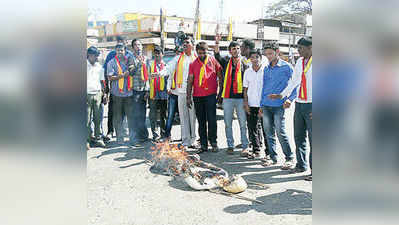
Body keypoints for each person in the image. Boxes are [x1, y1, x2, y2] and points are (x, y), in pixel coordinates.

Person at [269, 37, 312, 180]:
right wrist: (282, 95)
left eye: (301, 48)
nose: (298, 50)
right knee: (299, 136)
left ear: (310, 47)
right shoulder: (299, 62)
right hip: (300, 103)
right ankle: (301, 165)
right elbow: (294, 82)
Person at [259, 41, 296, 169]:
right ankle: (273, 158)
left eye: (270, 53)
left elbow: (295, 85)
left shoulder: (287, 67)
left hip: (279, 105)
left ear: (277, 52)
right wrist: (261, 105)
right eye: (266, 54)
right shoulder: (266, 68)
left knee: (280, 132)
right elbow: (264, 88)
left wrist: (290, 99)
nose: (268, 56)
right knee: (268, 132)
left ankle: (289, 158)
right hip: (266, 105)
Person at [214, 34, 249, 155]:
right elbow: (217, 56)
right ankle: (230, 145)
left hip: (240, 99)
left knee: (242, 123)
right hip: (228, 98)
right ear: (230, 51)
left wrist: (246, 100)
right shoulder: (225, 62)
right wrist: (217, 42)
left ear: (240, 50)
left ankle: (245, 145)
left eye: (238, 48)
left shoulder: (245, 64)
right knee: (228, 123)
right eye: (233, 48)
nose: (236, 50)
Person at [187, 41, 222, 153]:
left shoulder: (213, 60)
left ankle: (213, 142)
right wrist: (188, 97)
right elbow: (190, 81)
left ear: (208, 51)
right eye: (199, 53)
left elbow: (220, 76)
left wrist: (220, 93)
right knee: (201, 121)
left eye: (204, 53)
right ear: (196, 52)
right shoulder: (193, 64)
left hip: (211, 95)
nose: (201, 55)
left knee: (212, 120)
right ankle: (203, 144)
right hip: (197, 96)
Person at [166, 36, 198, 148]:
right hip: (181, 91)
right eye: (183, 43)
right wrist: (159, 73)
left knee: (192, 117)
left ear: (192, 45)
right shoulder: (178, 58)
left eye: (187, 42)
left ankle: (193, 140)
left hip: (194, 92)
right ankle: (185, 140)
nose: (185, 44)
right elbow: (168, 68)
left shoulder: (197, 57)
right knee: (183, 117)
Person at [103, 36, 133, 140]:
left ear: (126, 44)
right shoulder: (111, 58)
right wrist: (106, 91)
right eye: (118, 50)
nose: (120, 51)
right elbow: (108, 76)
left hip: (128, 92)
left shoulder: (130, 57)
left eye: (122, 49)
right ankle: (113, 133)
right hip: (116, 93)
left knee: (128, 114)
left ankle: (129, 135)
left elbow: (134, 71)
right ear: (115, 50)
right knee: (115, 114)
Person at [243, 49, 269, 160]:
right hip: (251, 104)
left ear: (260, 58)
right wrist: (246, 103)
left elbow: (267, 89)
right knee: (252, 128)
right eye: (252, 58)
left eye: (256, 57)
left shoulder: (266, 71)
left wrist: (263, 105)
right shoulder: (247, 72)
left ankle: (269, 153)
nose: (254, 60)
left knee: (266, 129)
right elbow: (245, 89)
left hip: (263, 105)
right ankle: (256, 150)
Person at [128, 39, 150, 146]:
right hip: (135, 90)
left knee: (142, 114)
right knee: (135, 114)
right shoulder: (131, 58)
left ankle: (144, 136)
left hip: (144, 89)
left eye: (139, 45)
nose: (138, 47)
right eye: (136, 45)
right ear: (133, 47)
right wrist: (138, 65)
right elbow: (131, 73)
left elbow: (148, 75)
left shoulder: (146, 58)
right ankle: (134, 138)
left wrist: (148, 90)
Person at [87, 46, 106, 149]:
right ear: (89, 55)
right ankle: (87, 140)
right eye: (95, 56)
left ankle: (98, 138)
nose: (97, 57)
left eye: (97, 55)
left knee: (98, 118)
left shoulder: (99, 67)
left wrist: (105, 94)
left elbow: (102, 81)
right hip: (86, 95)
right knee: (87, 119)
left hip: (97, 94)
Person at [148, 45, 168, 141]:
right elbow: (146, 79)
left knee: (163, 115)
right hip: (153, 93)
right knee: (153, 115)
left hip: (164, 94)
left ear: (162, 54)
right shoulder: (150, 65)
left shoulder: (167, 66)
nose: (157, 55)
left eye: (158, 53)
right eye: (155, 53)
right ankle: (155, 135)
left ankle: (164, 134)